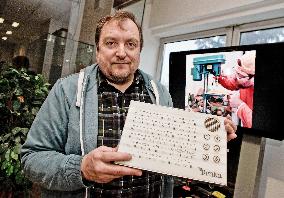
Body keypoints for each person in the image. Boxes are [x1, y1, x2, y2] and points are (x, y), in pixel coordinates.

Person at [21, 11, 237, 198]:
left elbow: (172, 161)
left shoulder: (159, 93)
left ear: (139, 51)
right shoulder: (67, 91)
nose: (122, 52)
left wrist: (207, 140)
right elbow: (31, 158)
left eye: (130, 44)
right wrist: (81, 168)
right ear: (97, 50)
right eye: (111, 43)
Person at [217, 51, 255, 128]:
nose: (235, 78)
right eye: (236, 72)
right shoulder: (244, 82)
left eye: (240, 75)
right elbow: (233, 83)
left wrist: (240, 105)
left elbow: (255, 124)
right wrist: (218, 77)